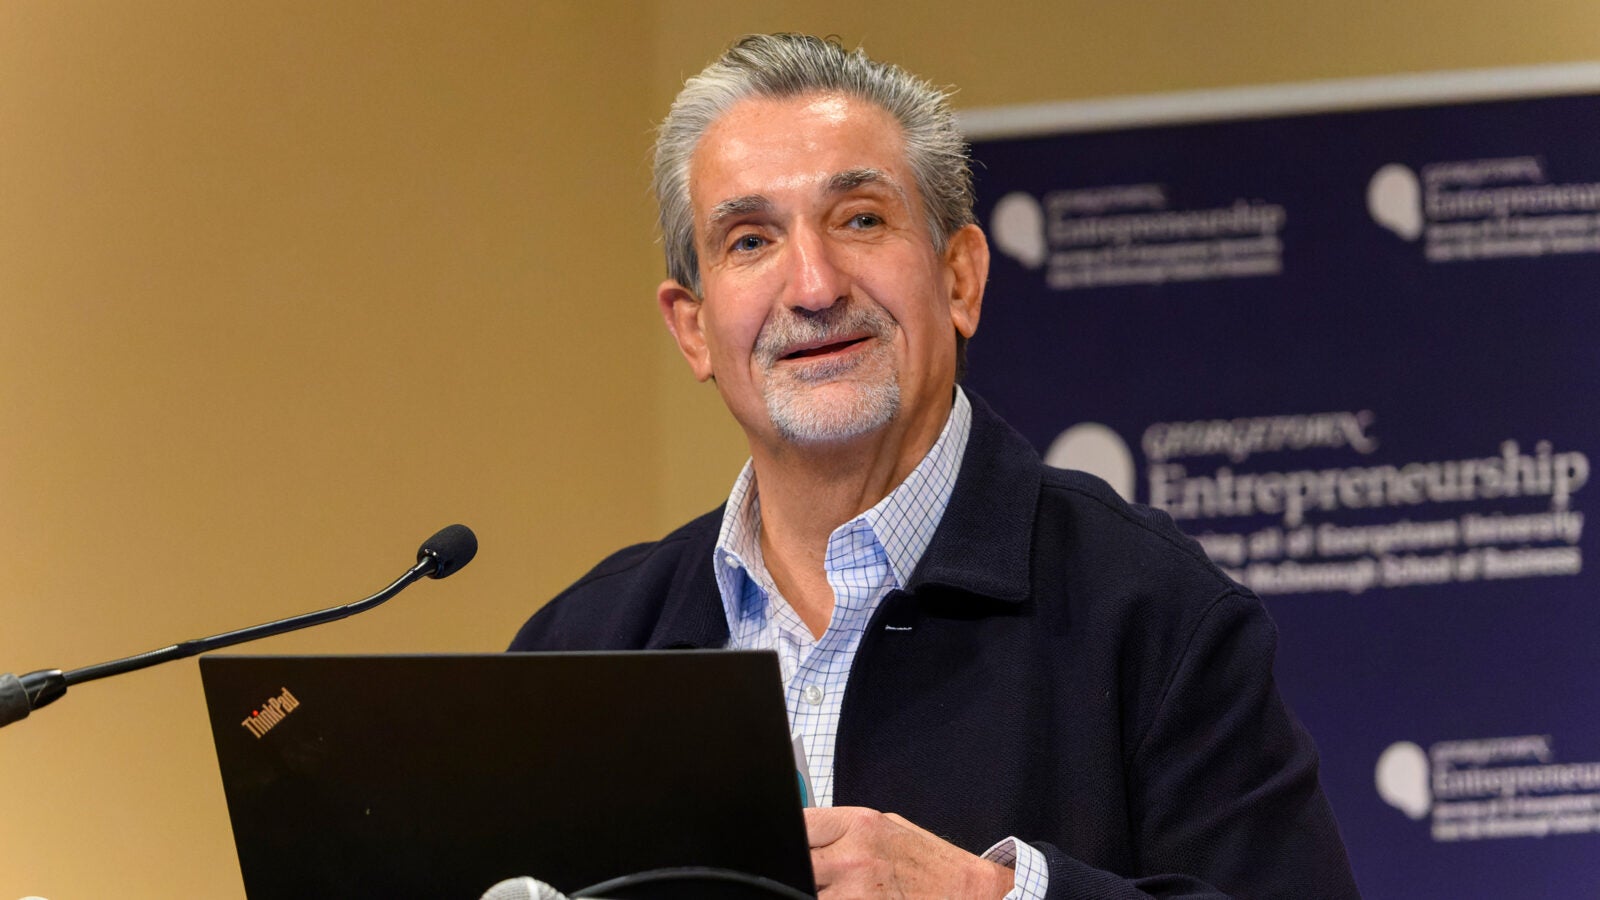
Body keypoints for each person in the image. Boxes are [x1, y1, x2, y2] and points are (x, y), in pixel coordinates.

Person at [510, 33, 1360, 900]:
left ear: (960, 278)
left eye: (861, 220)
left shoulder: (1156, 612)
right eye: (751, 239)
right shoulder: (582, 649)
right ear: (693, 329)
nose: (812, 285)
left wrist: (987, 898)